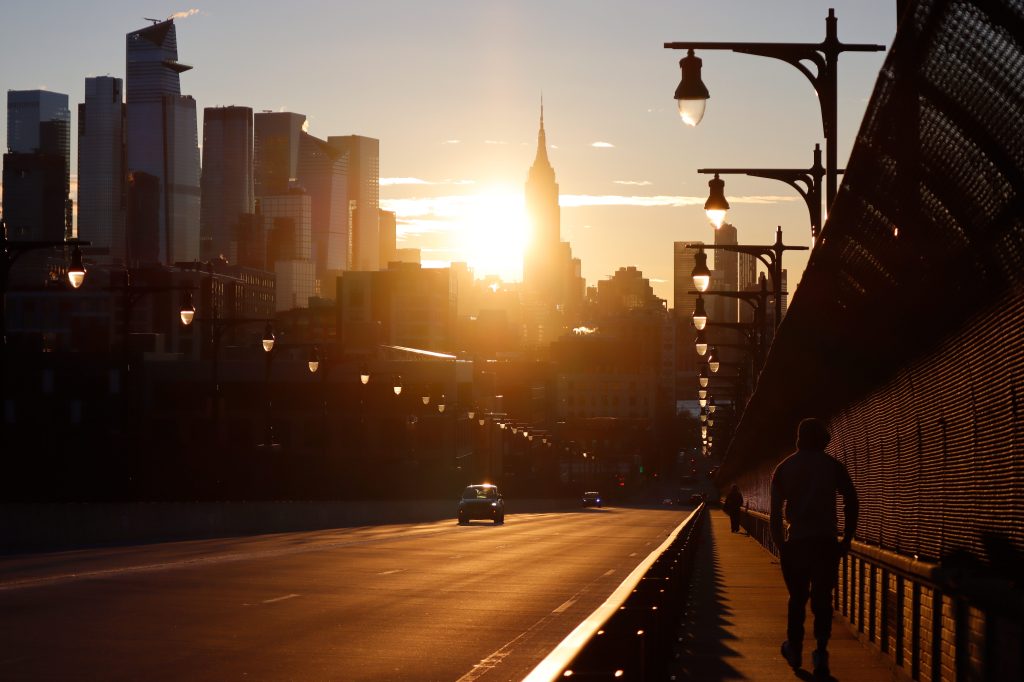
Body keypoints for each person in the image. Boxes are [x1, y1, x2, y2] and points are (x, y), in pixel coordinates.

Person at [770, 417, 858, 679]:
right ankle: (821, 650)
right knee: (822, 598)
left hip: (796, 542)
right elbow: (852, 500)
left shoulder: (784, 468)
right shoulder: (833, 466)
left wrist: (780, 544)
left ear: (799, 438)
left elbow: (775, 512)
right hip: (825, 542)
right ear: (823, 440)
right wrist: (847, 538)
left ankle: (794, 647)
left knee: (797, 598)